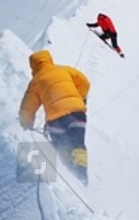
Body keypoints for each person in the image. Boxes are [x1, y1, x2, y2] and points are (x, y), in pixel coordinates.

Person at [19, 49, 90, 181]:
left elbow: (27, 109)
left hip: (56, 119)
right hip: (77, 113)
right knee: (77, 143)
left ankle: (70, 172)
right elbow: (85, 82)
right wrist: (81, 97)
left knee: (62, 145)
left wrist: (26, 124)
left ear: (33, 67)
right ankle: (81, 173)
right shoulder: (64, 69)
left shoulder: (36, 81)